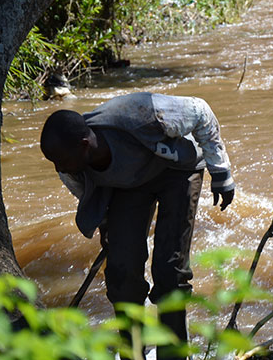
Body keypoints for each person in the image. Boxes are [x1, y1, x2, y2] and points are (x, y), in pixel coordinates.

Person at [40, 92, 235, 360]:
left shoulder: (144, 115)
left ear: (85, 145)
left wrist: (221, 172)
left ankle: (174, 354)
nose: (57, 167)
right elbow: (89, 194)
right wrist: (107, 227)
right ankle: (133, 353)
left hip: (177, 169)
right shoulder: (69, 167)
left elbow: (201, 111)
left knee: (169, 272)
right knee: (121, 276)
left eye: (60, 160)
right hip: (130, 185)